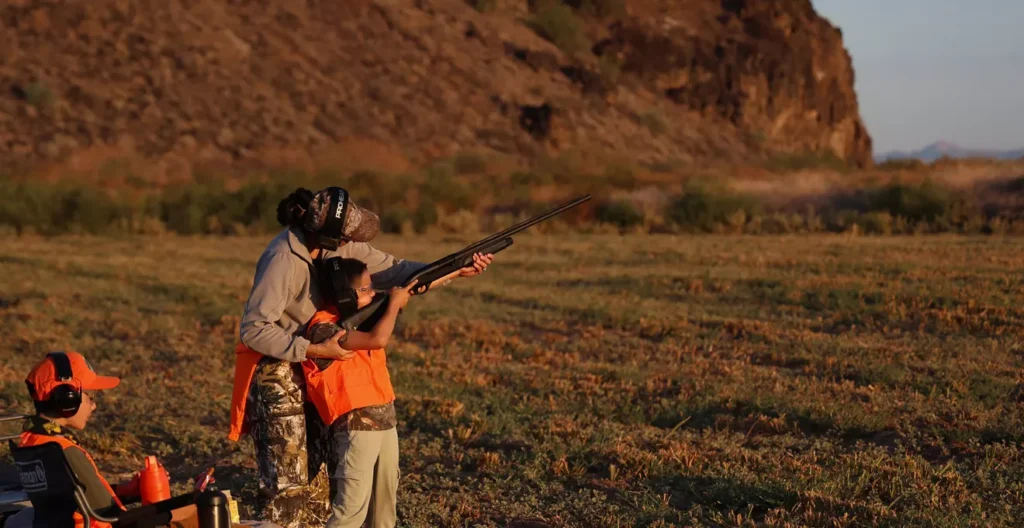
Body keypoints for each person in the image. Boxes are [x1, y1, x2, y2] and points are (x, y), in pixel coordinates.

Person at [227, 187, 492, 526]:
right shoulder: (282, 260)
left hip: (320, 363)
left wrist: (455, 270)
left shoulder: (342, 245)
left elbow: (398, 273)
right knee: (289, 486)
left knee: (319, 486)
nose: (355, 242)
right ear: (329, 236)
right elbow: (253, 329)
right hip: (278, 366)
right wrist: (315, 349)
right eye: (349, 236)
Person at [302, 257, 467, 528]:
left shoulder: (362, 317)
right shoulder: (324, 329)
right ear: (345, 295)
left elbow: (411, 288)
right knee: (351, 512)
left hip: (385, 422)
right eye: (366, 289)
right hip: (356, 427)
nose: (373, 293)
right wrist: (392, 305)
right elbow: (377, 340)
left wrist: (457, 271)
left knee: (383, 511)